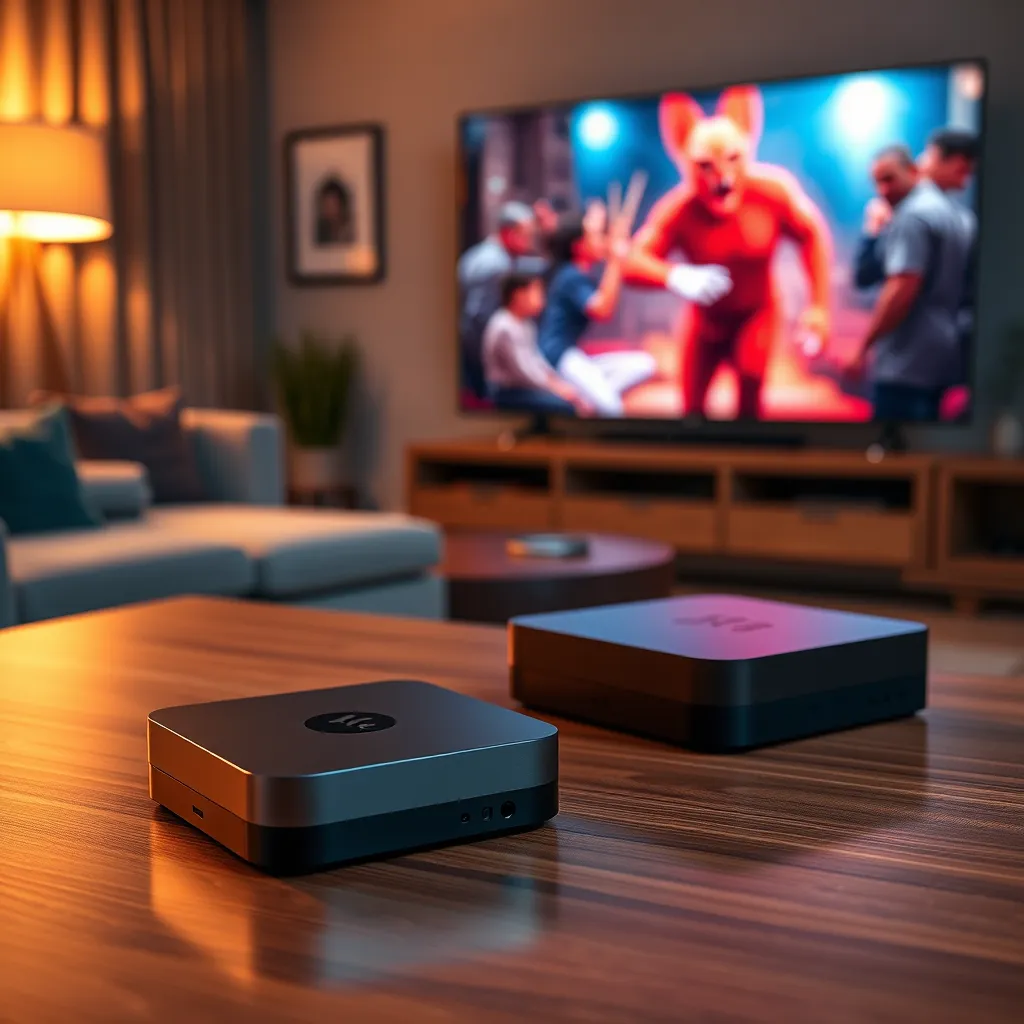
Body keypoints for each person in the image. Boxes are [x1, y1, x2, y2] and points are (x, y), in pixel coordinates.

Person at [846, 144, 973, 421]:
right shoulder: (954, 213)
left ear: (913, 172)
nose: (882, 189)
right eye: (877, 182)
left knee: (893, 456)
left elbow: (902, 289)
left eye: (889, 178)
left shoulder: (912, 216)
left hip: (906, 362)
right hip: (942, 357)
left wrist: (863, 347)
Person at [537, 176, 657, 417]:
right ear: (578, 246)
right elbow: (602, 309)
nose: (602, 241)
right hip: (558, 357)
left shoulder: (576, 274)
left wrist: (614, 252)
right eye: (594, 236)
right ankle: (586, 399)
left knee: (644, 364)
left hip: (573, 356)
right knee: (611, 408)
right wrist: (614, 259)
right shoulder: (570, 275)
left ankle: (582, 398)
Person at [458, 202, 548, 398]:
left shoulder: (485, 254)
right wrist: (490, 364)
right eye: (526, 235)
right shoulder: (495, 265)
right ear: (508, 233)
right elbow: (479, 319)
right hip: (476, 362)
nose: (529, 242)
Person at [481, 273, 591, 415]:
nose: (542, 300)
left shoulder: (526, 323)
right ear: (519, 295)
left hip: (526, 386)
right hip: (508, 392)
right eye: (537, 293)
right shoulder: (504, 327)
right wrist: (555, 388)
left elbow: (536, 360)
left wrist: (558, 382)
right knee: (565, 407)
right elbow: (523, 373)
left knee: (575, 396)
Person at [314, 177, 354, 245]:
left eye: (332, 205)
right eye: (326, 205)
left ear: (341, 205)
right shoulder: (321, 232)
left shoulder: (349, 232)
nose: (328, 210)